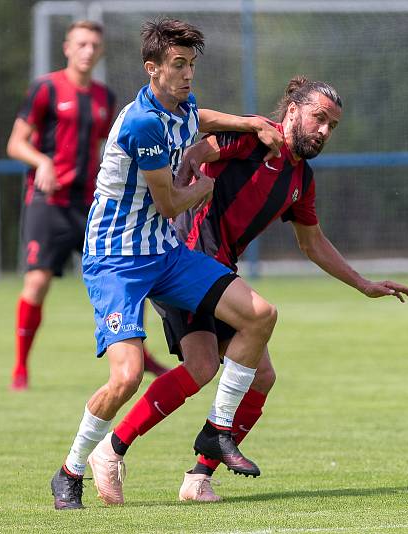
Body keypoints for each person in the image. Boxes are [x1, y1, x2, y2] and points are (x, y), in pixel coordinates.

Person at [87, 76, 408, 505]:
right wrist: (188, 185)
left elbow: (312, 241)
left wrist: (363, 284)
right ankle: (113, 451)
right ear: (293, 110)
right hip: (189, 258)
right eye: (319, 118)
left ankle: (194, 475)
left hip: (219, 269)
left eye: (332, 126)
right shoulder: (256, 138)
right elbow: (198, 148)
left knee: (255, 376)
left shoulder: (302, 178)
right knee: (213, 365)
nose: (324, 131)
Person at [49, 17, 285, 510]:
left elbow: (201, 119)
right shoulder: (142, 124)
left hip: (165, 256)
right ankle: (71, 469)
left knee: (260, 315)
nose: (187, 75)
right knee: (126, 377)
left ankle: (218, 430)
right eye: (178, 65)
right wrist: (204, 183)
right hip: (116, 262)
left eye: (191, 65)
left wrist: (251, 123)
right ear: (151, 69)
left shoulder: (181, 105)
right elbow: (172, 204)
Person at [7, 20, 169, 391]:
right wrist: (42, 162)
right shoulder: (46, 88)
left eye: (94, 45)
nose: (87, 51)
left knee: (131, 266)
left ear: (100, 51)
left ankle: (138, 354)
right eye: (80, 44)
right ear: (67, 48)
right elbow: (16, 143)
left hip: (91, 206)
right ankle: (20, 366)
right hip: (48, 203)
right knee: (37, 281)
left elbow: (105, 150)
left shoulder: (103, 98)